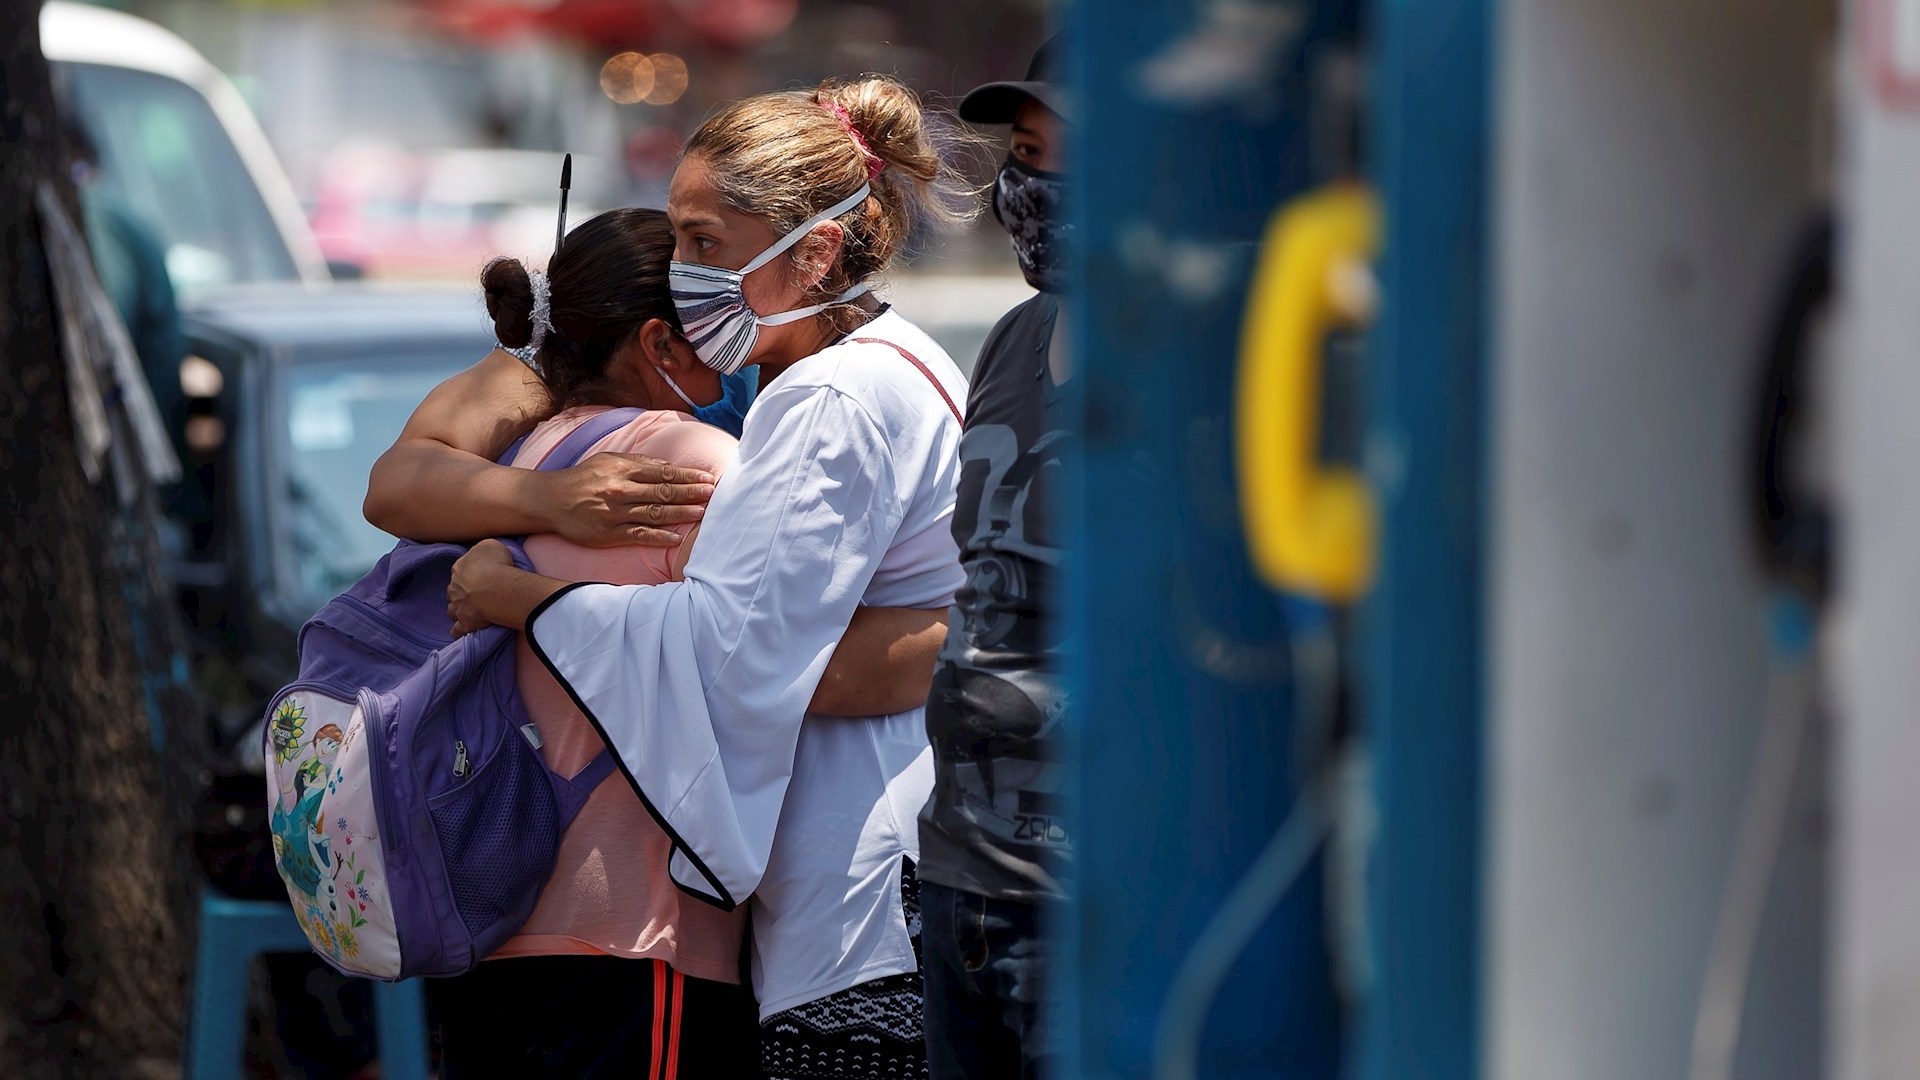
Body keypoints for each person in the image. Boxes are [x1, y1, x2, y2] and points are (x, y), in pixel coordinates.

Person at [438, 76, 977, 1079]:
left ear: (814, 252)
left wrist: (526, 602)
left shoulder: (831, 399)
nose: (680, 276)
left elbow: (729, 654)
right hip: (896, 869)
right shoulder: (900, 361)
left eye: (704, 244)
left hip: (858, 903)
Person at [427, 207, 766, 1077]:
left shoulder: (511, 464)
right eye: (715, 325)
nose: (739, 350)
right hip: (632, 928)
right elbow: (751, 665)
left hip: (485, 917)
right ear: (659, 341)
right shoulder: (694, 459)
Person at [916, 34, 1072, 1080]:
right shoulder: (1017, 339)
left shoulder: (1206, 363)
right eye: (1027, 149)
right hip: (965, 880)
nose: (1038, 183)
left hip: (1093, 901)